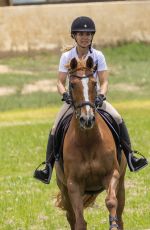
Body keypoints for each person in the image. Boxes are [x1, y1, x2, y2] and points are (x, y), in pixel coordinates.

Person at [34, 16, 148, 184]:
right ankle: (48, 167)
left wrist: (101, 95)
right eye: (81, 34)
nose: (85, 37)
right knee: (55, 127)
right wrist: (64, 94)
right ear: (74, 36)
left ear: (92, 36)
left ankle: (131, 156)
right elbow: (59, 81)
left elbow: (104, 80)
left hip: (94, 100)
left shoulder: (98, 56)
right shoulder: (67, 56)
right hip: (74, 100)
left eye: (88, 34)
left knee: (117, 118)